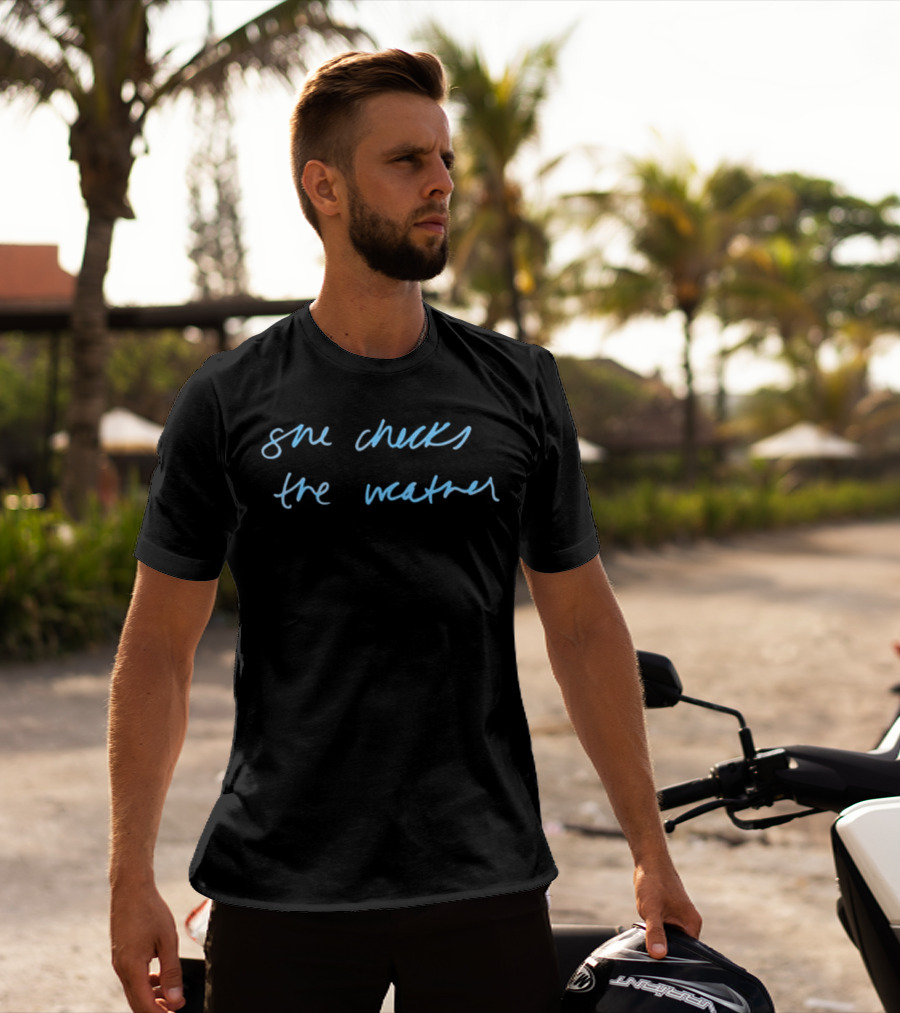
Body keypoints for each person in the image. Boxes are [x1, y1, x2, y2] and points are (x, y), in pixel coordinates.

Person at [108, 48, 701, 1013]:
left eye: (446, 157)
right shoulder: (227, 402)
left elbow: (585, 628)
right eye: (408, 161)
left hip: (485, 876)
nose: (442, 183)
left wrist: (650, 847)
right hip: (280, 881)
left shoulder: (519, 384)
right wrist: (129, 874)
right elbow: (157, 653)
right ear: (325, 187)